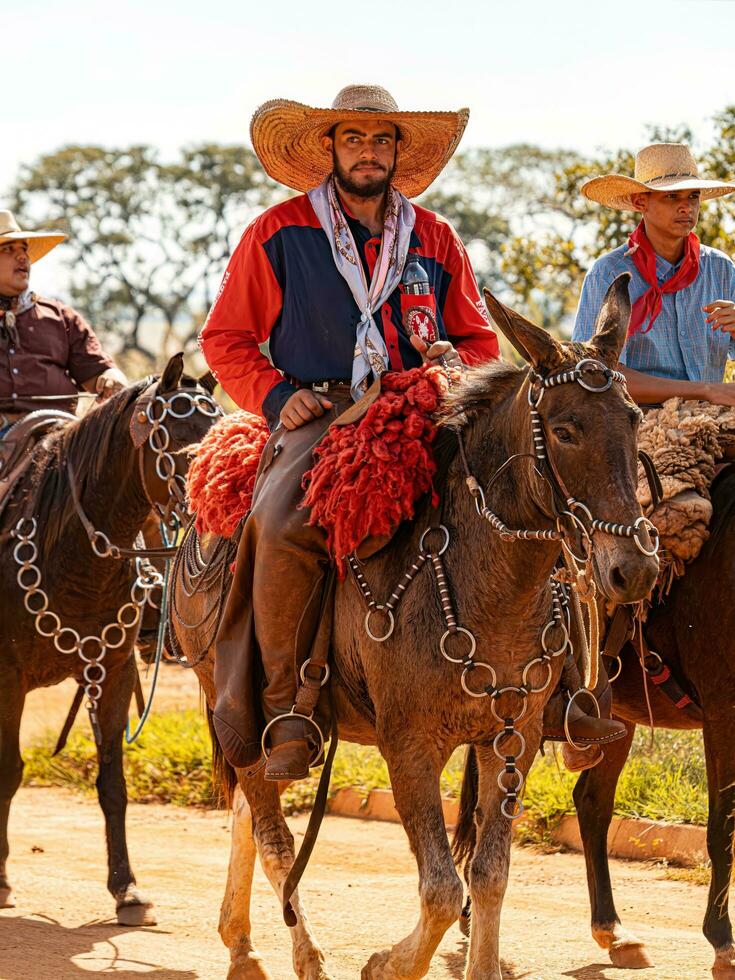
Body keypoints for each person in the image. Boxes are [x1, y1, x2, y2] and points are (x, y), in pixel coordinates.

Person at [200, 84, 621, 778]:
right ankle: (287, 710)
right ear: (328, 149)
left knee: (538, 494)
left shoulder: (433, 235)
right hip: (322, 410)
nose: (368, 153)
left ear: (398, 153)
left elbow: (479, 339)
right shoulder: (277, 232)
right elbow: (227, 337)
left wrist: (458, 361)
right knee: (279, 525)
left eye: (381, 141)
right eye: (354, 140)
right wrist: (278, 397)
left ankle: (566, 691)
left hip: (425, 405)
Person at [573, 143, 735, 405]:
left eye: (693, 196)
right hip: (636, 424)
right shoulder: (608, 274)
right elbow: (594, 372)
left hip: (712, 419)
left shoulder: (720, 268)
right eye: (671, 197)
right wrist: (705, 390)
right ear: (640, 202)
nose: (686, 207)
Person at [0, 210, 126, 435]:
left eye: (24, 249)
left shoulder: (60, 317)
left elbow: (99, 372)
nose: (22, 257)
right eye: (8, 249)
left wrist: (111, 378)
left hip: (59, 438)